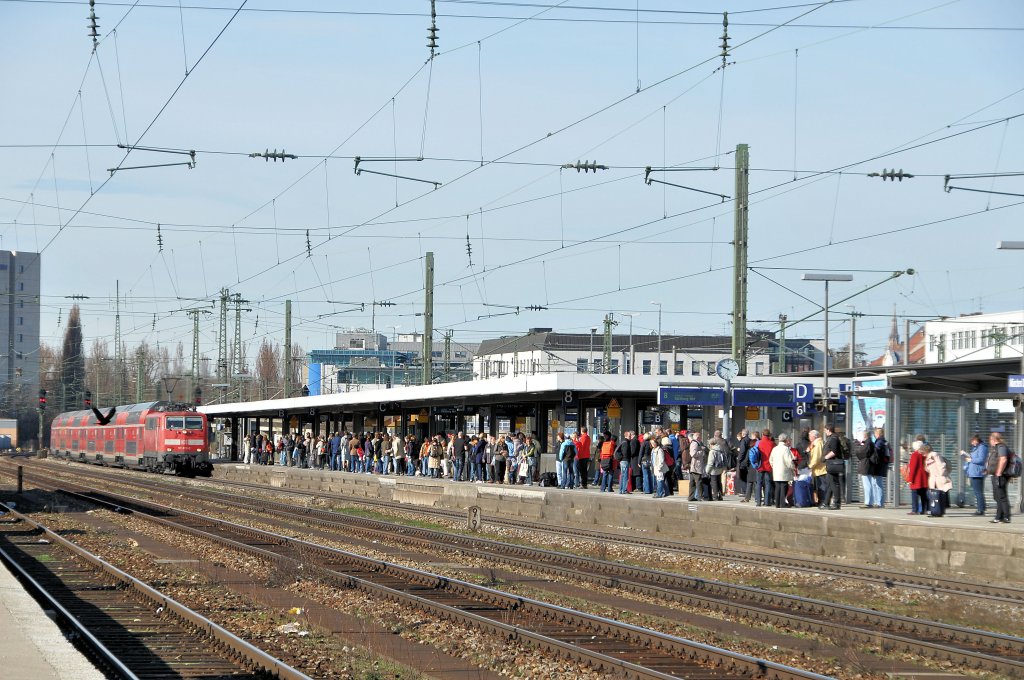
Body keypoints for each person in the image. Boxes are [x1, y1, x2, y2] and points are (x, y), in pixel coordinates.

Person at [987, 432, 1011, 523]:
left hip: (1000, 475)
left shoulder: (1001, 447)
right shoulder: (995, 448)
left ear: (994, 439)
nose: (989, 441)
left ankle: (1006, 517)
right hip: (995, 475)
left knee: (1001, 496)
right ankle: (998, 516)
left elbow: (1003, 459)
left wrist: (999, 472)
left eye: (990, 439)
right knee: (997, 496)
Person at [961, 435, 988, 515]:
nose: (972, 443)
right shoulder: (976, 448)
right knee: (978, 492)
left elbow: (981, 459)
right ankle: (982, 507)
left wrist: (971, 460)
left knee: (978, 492)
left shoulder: (982, 447)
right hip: (973, 472)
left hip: (977, 472)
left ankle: (980, 510)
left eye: (973, 441)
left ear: (977, 440)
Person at [769, 433, 795, 509]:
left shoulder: (775, 448)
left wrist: (774, 467)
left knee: (777, 487)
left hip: (776, 471)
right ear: (786, 440)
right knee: (783, 487)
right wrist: (792, 467)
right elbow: (788, 461)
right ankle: (782, 503)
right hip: (784, 471)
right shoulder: (786, 449)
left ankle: (777, 504)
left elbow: (771, 460)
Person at [924, 445, 952, 516]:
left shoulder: (935, 455)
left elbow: (941, 465)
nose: (923, 454)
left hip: (938, 478)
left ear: (926, 451)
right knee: (934, 496)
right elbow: (927, 469)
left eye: (923, 452)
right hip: (933, 478)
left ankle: (939, 511)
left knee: (939, 495)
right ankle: (935, 510)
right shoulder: (928, 458)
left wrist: (941, 474)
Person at [821, 426, 844, 510]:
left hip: (833, 464)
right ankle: (826, 502)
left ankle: (837, 503)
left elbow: (834, 451)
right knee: (830, 484)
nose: (825, 432)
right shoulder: (832, 438)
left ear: (829, 430)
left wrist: (825, 457)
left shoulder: (833, 438)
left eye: (825, 430)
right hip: (831, 464)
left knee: (834, 484)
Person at [905, 442, 928, 515]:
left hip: (916, 478)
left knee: (914, 494)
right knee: (923, 495)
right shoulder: (924, 454)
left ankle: (915, 510)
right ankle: (924, 510)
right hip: (924, 477)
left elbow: (913, 468)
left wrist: (910, 479)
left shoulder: (915, 454)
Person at [852, 429, 873, 508]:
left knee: (867, 484)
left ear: (865, 435)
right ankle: (869, 501)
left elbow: (861, 453)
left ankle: (868, 502)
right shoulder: (869, 443)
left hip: (865, 465)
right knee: (868, 483)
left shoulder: (867, 443)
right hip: (867, 465)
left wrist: (858, 449)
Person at [870, 428, 890, 507]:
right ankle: (878, 502)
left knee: (877, 484)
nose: (874, 435)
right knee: (876, 483)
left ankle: (879, 502)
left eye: (875, 433)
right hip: (881, 465)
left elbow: (876, 452)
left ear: (878, 434)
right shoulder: (884, 442)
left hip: (878, 465)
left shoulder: (879, 442)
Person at [755, 431, 775, 507]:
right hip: (768, 466)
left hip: (760, 465)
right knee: (768, 483)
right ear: (769, 435)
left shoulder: (758, 443)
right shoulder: (772, 443)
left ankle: (758, 502)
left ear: (762, 434)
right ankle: (767, 502)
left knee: (759, 483)